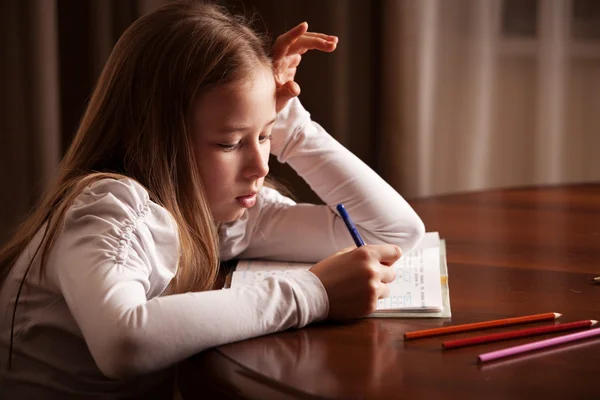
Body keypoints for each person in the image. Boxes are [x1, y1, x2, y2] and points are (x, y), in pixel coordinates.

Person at [0, 0, 424, 398]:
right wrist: (312, 294)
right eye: (228, 143)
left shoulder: (223, 213)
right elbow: (123, 342)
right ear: (150, 140)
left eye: (264, 136)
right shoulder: (107, 208)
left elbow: (392, 232)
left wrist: (289, 124)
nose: (260, 166)